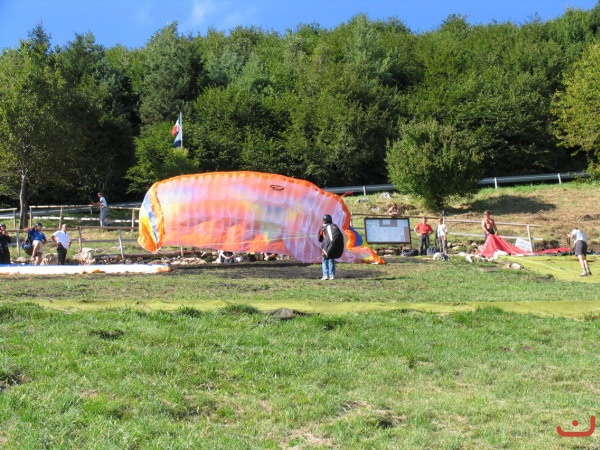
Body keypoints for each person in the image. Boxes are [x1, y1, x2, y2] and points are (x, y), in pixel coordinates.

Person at [318, 214, 344, 280]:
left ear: (324, 220)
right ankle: (332, 275)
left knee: (325, 260)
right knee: (331, 260)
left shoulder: (322, 228)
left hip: (326, 246)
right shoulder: (334, 226)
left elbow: (320, 239)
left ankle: (325, 275)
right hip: (333, 246)